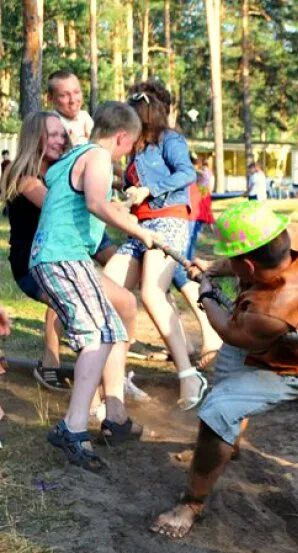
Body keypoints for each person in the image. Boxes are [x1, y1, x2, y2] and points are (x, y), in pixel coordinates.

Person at [150, 201, 298, 539]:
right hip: (258, 346)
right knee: (227, 391)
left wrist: (205, 294)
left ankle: (192, 504)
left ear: (245, 265)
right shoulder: (295, 236)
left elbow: (230, 333)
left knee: (217, 411)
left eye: (233, 261)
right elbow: (251, 260)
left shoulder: (272, 310)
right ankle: (228, 443)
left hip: (286, 370)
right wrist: (213, 268)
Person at [29, 101, 156, 471]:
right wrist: (140, 232)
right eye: (129, 146)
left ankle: (111, 417)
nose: (126, 153)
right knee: (96, 337)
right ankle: (72, 427)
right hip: (63, 257)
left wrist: (126, 210)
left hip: (62, 257)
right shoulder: (99, 158)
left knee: (112, 331)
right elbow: (97, 203)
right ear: (121, 137)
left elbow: (97, 202)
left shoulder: (74, 158)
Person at [0, 112, 124, 391]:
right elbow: (57, 207)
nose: (60, 140)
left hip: (63, 256)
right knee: (70, 300)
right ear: (35, 138)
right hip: (33, 264)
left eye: (62, 134)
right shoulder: (24, 176)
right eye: (52, 134)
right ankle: (56, 367)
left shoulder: (59, 170)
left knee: (111, 293)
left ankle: (105, 378)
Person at [103, 80, 204, 410]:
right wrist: (125, 197)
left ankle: (189, 375)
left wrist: (151, 189)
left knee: (151, 292)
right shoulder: (133, 148)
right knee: (108, 288)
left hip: (170, 219)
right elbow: (131, 189)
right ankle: (113, 379)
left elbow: (188, 173)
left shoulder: (169, 140)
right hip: (140, 226)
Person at [170, 157, 222, 371]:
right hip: (179, 208)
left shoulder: (172, 150)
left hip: (184, 210)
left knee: (179, 271)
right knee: (158, 282)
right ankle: (180, 343)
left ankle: (211, 335)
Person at [47, 70, 94, 146]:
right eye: (64, 95)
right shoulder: (50, 123)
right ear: (50, 98)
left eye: (76, 92)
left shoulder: (84, 116)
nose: (72, 100)